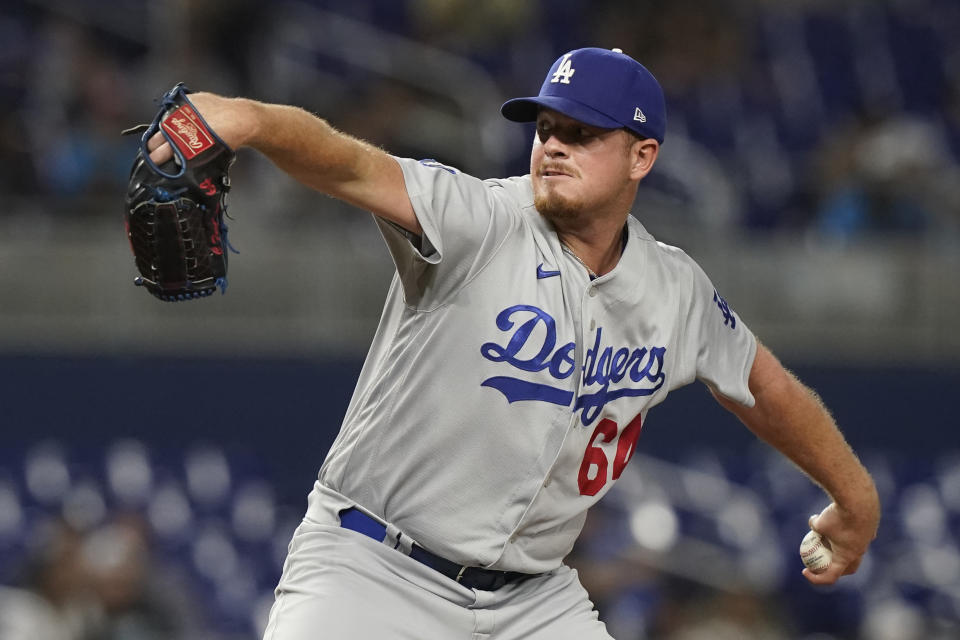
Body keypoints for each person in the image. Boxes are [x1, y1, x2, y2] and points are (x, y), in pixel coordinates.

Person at [145, 47, 881, 639]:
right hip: (372, 569)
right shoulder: (479, 219)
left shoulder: (674, 290)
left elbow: (765, 388)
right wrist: (250, 119)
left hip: (534, 602)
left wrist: (854, 499)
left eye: (583, 133)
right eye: (546, 129)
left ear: (642, 157)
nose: (554, 146)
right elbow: (349, 164)